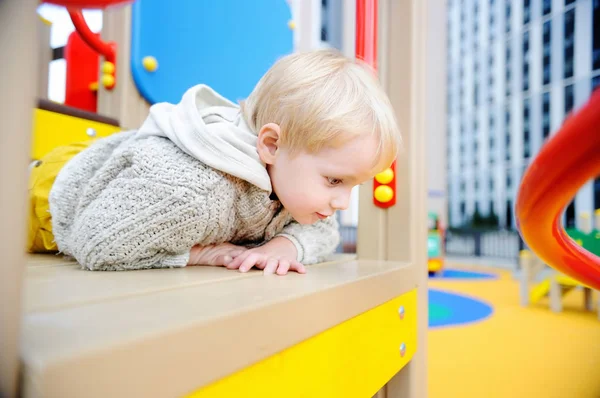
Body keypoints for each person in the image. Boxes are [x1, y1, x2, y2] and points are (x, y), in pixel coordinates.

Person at [27, 49, 401, 274]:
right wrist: (202, 254)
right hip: (48, 196)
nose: (341, 202)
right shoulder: (192, 193)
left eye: (354, 185)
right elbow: (98, 243)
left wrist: (284, 247)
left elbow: (324, 232)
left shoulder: (294, 182)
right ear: (270, 145)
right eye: (335, 181)